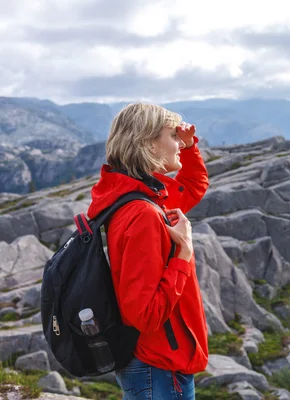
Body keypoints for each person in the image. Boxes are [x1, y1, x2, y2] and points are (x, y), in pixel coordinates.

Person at [86, 103, 210, 399]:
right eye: (172, 136)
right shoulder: (143, 213)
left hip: (157, 362)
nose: (179, 142)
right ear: (149, 143)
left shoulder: (135, 195)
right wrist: (183, 252)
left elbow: (193, 186)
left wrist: (190, 148)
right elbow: (144, 315)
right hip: (159, 364)